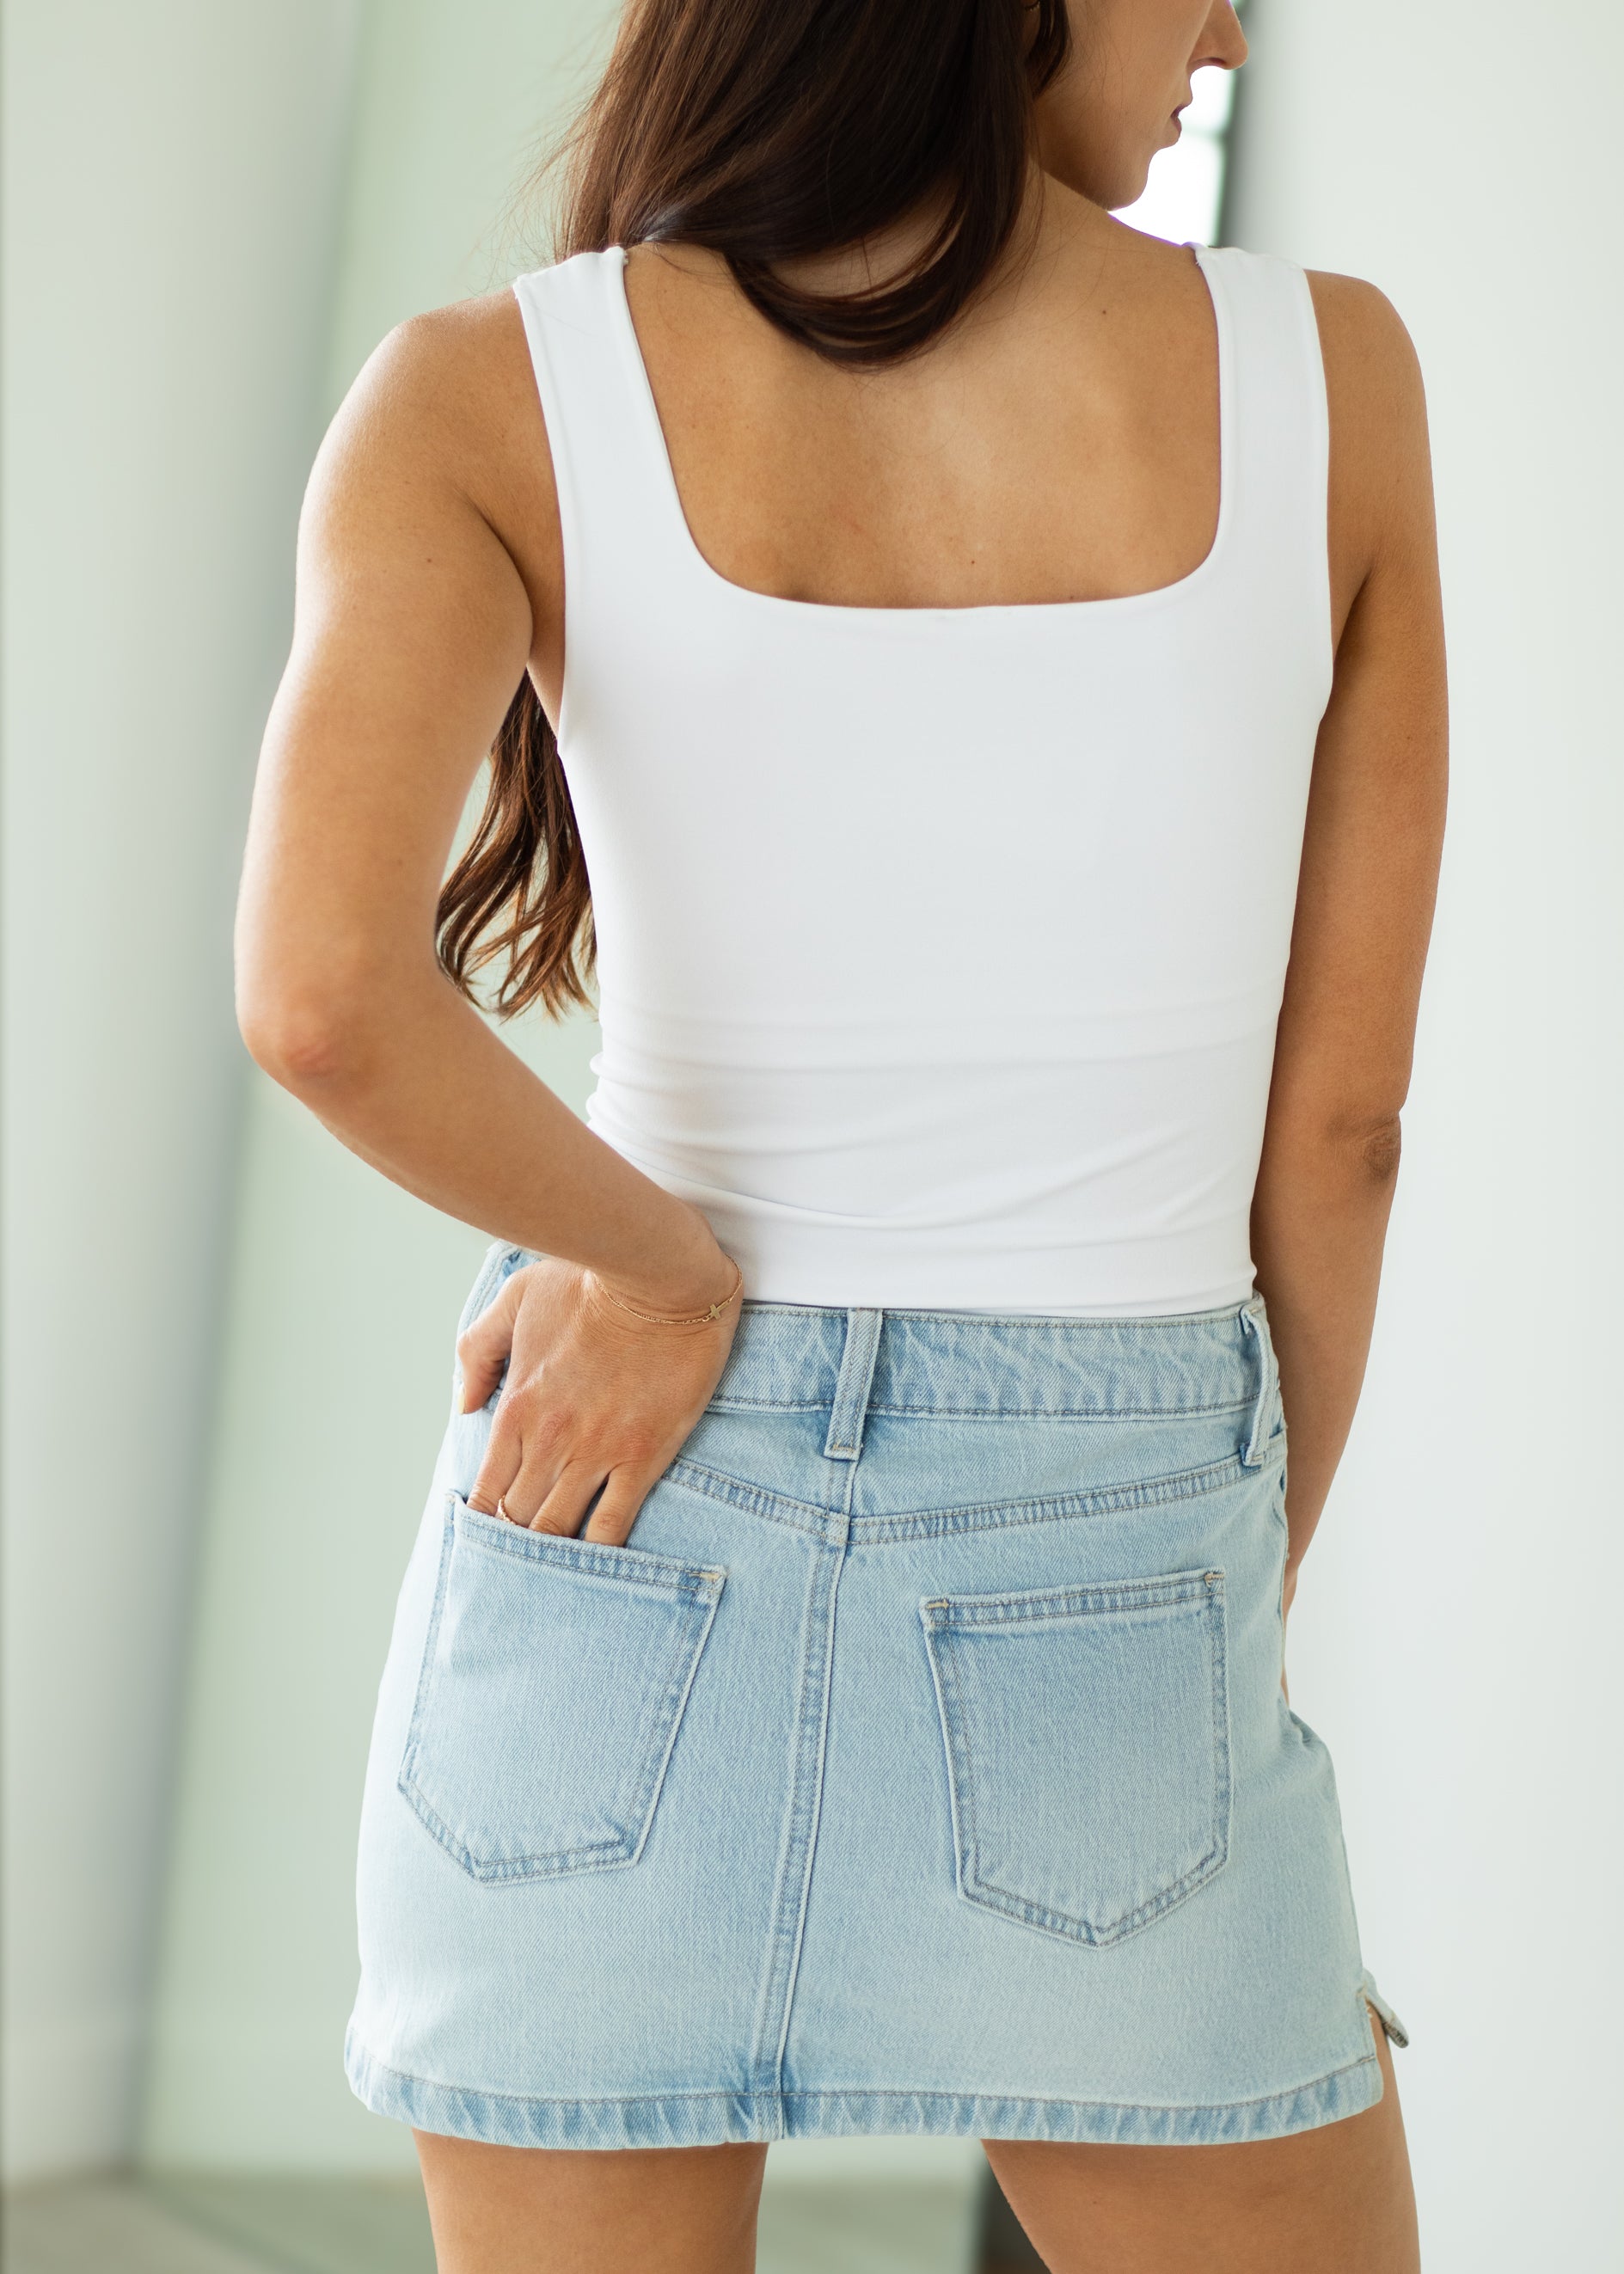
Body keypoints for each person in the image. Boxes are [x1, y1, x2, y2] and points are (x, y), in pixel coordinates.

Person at [235, 0, 1445, 2264]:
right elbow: (1342, 1121)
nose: (1231, 34)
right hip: (1112, 1507)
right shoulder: (1329, 381)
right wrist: (1216, 1599)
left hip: (603, 1491)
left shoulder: (485, 385)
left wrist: (668, 1265)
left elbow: (320, 999)